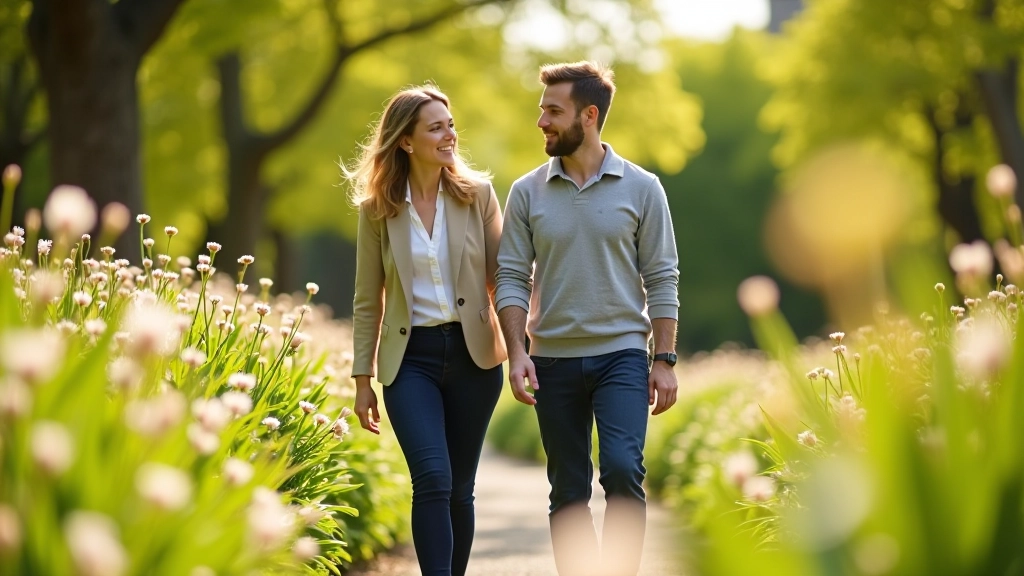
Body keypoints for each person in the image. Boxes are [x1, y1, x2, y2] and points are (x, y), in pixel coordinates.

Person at [495, 61, 680, 576]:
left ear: (590, 115)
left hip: (621, 354)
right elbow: (511, 277)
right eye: (542, 111)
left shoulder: (643, 188)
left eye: (553, 112)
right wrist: (517, 353)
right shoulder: (526, 192)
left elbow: (662, 277)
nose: (542, 123)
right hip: (552, 360)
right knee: (569, 487)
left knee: (623, 470)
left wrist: (662, 359)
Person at [348, 85, 507, 576]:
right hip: (409, 360)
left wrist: (523, 351)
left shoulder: (477, 195)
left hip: (473, 357)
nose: (449, 135)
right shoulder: (378, 209)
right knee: (432, 478)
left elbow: (504, 279)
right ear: (406, 141)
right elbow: (365, 297)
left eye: (450, 124)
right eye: (435, 127)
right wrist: (361, 379)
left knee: (460, 486)